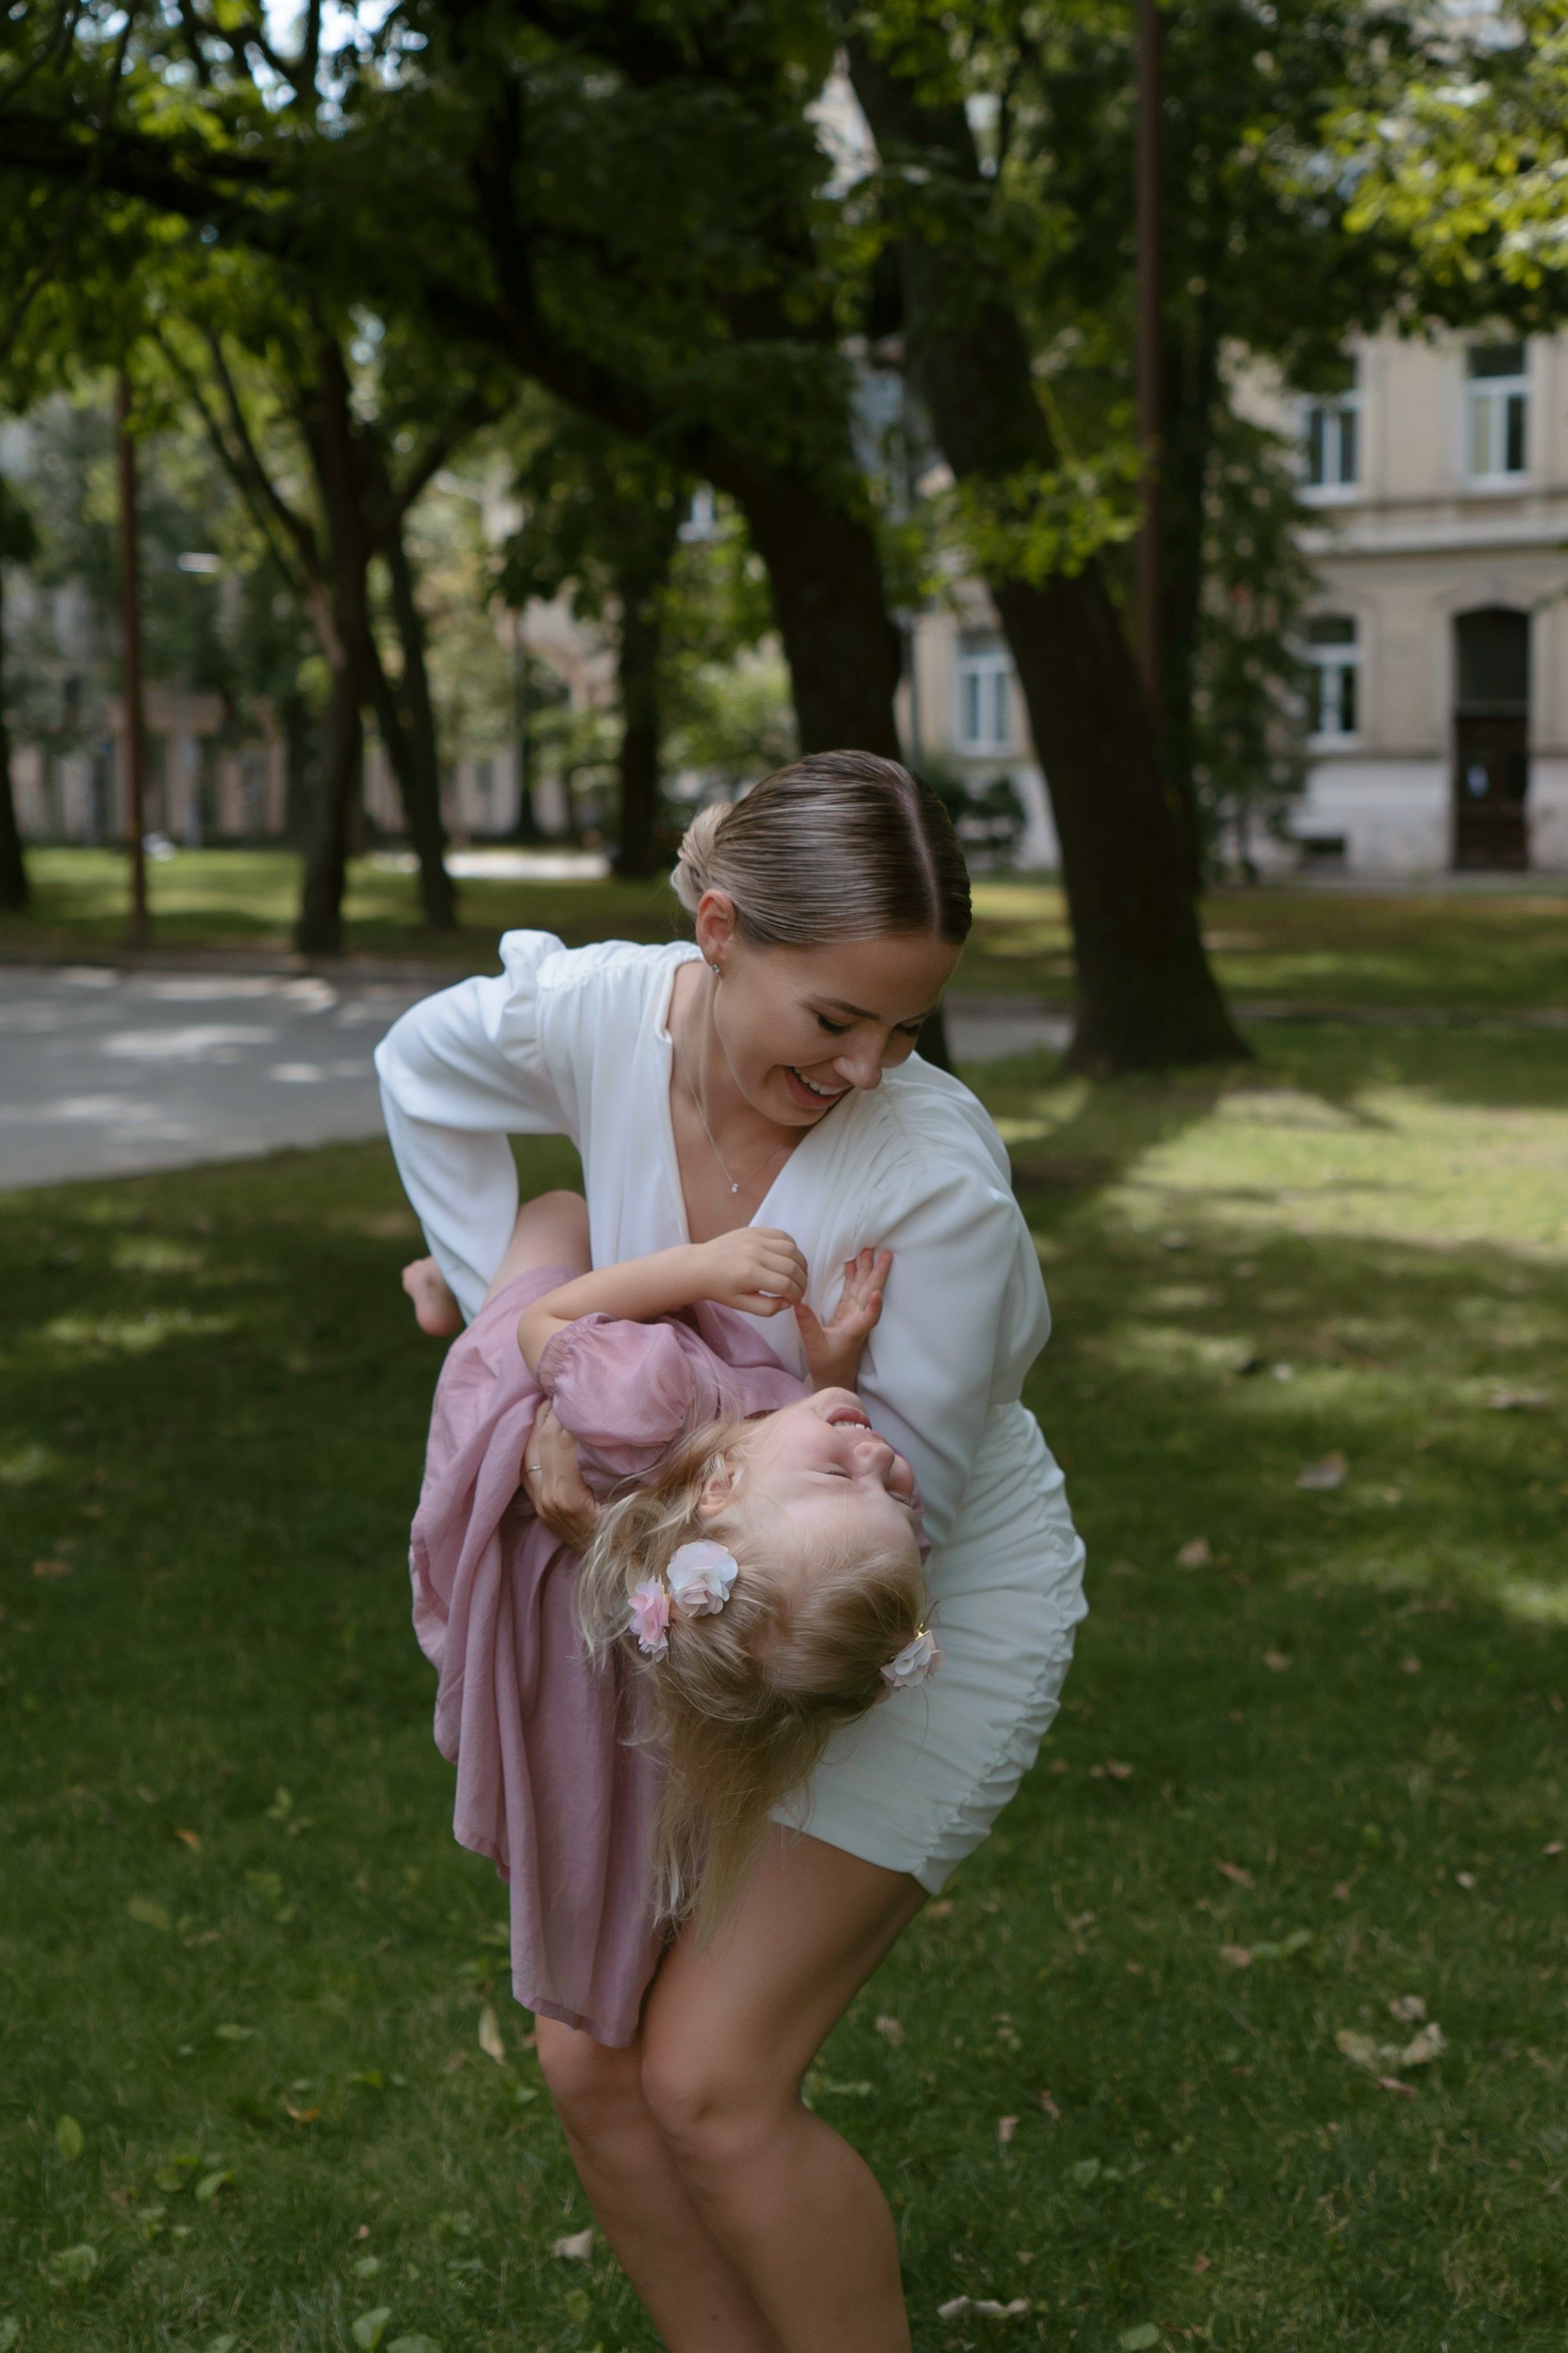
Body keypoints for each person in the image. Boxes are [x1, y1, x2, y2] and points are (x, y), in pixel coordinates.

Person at [376, 750, 1087, 2353]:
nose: (866, 1068)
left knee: (709, 2080)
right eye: (834, 1019)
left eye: (906, 1028)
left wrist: (622, 1479)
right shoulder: (600, 1015)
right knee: (589, 2060)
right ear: (718, 932)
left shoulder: (930, 1183)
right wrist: (521, 1337)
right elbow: (422, 1067)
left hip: (895, 1613)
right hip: (695, 1575)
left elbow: (884, 1504)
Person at [409, 1185, 933, 2041]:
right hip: (587, 1435)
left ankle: (447, 1281)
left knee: (560, 1210)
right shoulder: (752, 1523)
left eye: (849, 1474)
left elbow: (545, 1325)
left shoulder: (650, 1397)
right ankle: (444, 1275)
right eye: (889, 1484)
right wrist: (830, 1377)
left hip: (504, 1388)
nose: (875, 1452)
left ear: (719, 1489)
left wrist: (697, 1267)